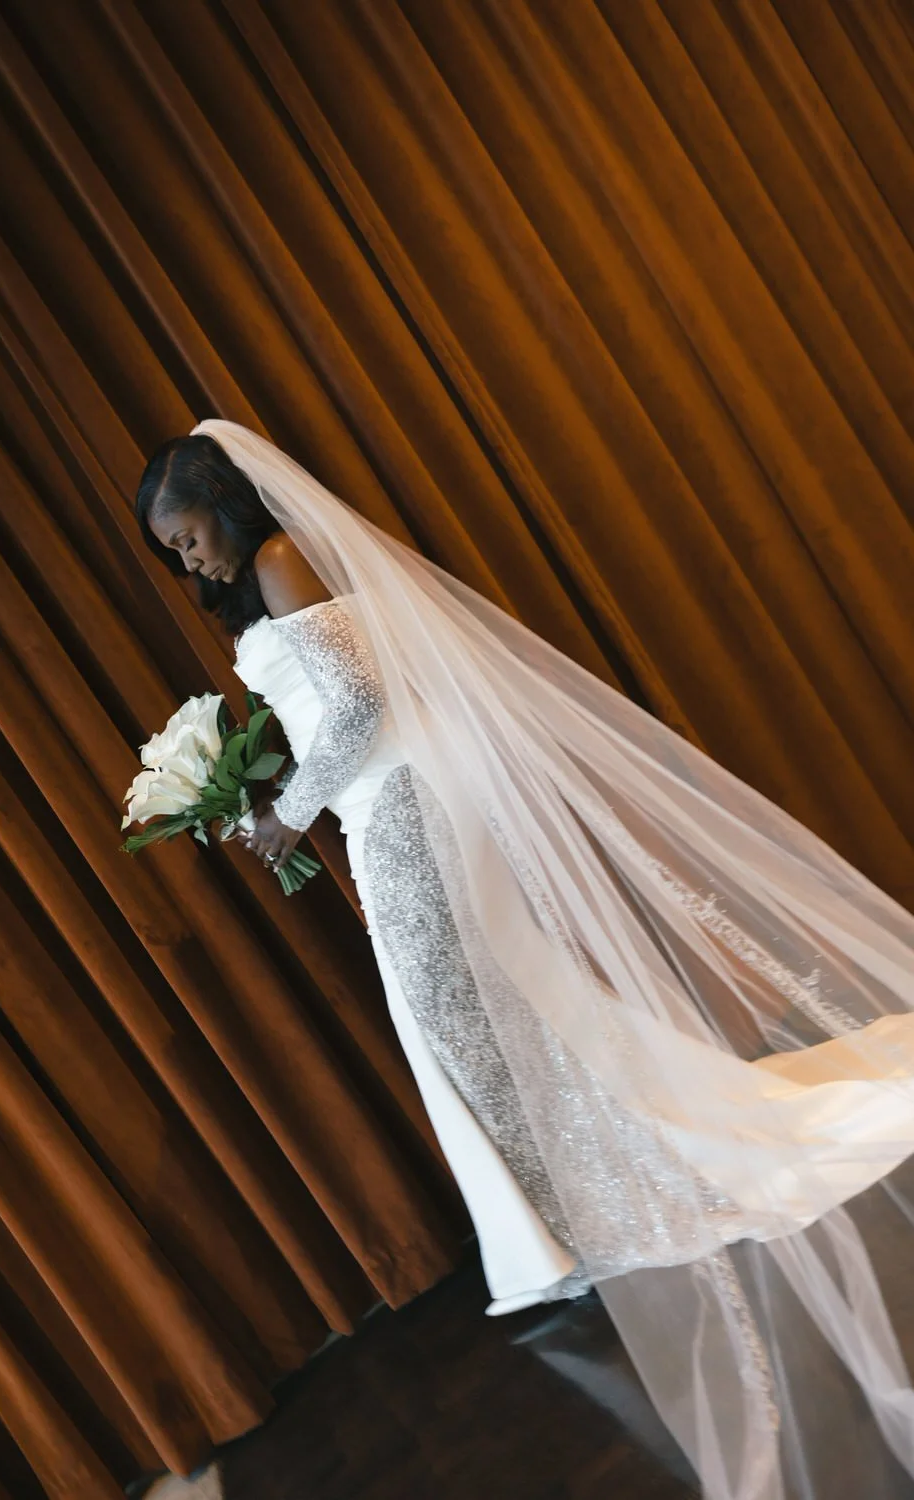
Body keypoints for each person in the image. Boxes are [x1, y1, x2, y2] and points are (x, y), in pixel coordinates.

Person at [138, 418, 914, 1500]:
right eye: (170, 550)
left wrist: (285, 815)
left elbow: (362, 703)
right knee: (484, 1013)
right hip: (385, 812)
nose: (189, 561)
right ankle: (564, 1221)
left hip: (401, 807)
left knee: (459, 1023)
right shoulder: (266, 573)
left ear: (227, 503)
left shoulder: (278, 559)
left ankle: (579, 1220)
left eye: (188, 536)